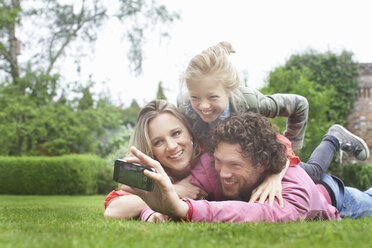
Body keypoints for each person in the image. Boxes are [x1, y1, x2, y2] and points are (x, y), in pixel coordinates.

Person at [122, 112, 372, 223]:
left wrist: (183, 209)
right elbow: (172, 195)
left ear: (262, 163)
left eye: (234, 165)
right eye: (219, 161)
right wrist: (153, 212)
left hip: (333, 197)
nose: (222, 173)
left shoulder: (295, 192)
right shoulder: (212, 164)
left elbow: (254, 213)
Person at [104, 100, 289, 219]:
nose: (172, 146)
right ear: (150, 150)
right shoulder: (153, 174)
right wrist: (172, 190)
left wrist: (275, 175)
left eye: (176, 133)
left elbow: (274, 143)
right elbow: (113, 211)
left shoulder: (210, 148)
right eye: (158, 142)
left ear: (190, 133)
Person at [177, 41, 308, 151]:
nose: (204, 106)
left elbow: (300, 105)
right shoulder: (185, 108)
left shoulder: (251, 102)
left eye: (213, 97)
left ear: (230, 90)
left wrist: (291, 146)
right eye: (195, 97)